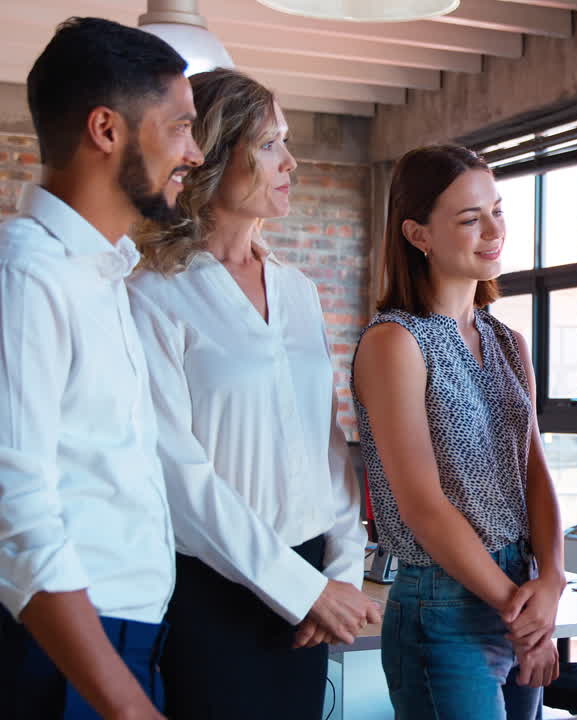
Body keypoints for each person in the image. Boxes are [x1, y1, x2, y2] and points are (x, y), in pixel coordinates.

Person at [127, 67, 380, 719]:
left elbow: (328, 445)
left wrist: (343, 572)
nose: (290, 161)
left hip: (313, 596)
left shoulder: (297, 290)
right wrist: (300, 588)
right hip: (213, 594)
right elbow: (179, 477)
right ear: (212, 153)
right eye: (270, 144)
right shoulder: (152, 292)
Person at [0, 17, 204, 720]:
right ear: (107, 130)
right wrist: (123, 705)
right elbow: (14, 508)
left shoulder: (103, 273)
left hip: (120, 644)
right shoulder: (26, 275)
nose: (195, 152)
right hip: (61, 653)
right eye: (179, 126)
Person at [351, 144, 564, 719]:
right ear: (418, 235)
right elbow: (422, 505)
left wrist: (552, 580)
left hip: (521, 589)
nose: (493, 229)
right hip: (442, 605)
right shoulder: (394, 342)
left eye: (497, 209)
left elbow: (536, 474)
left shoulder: (507, 342)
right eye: (470, 219)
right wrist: (518, 611)